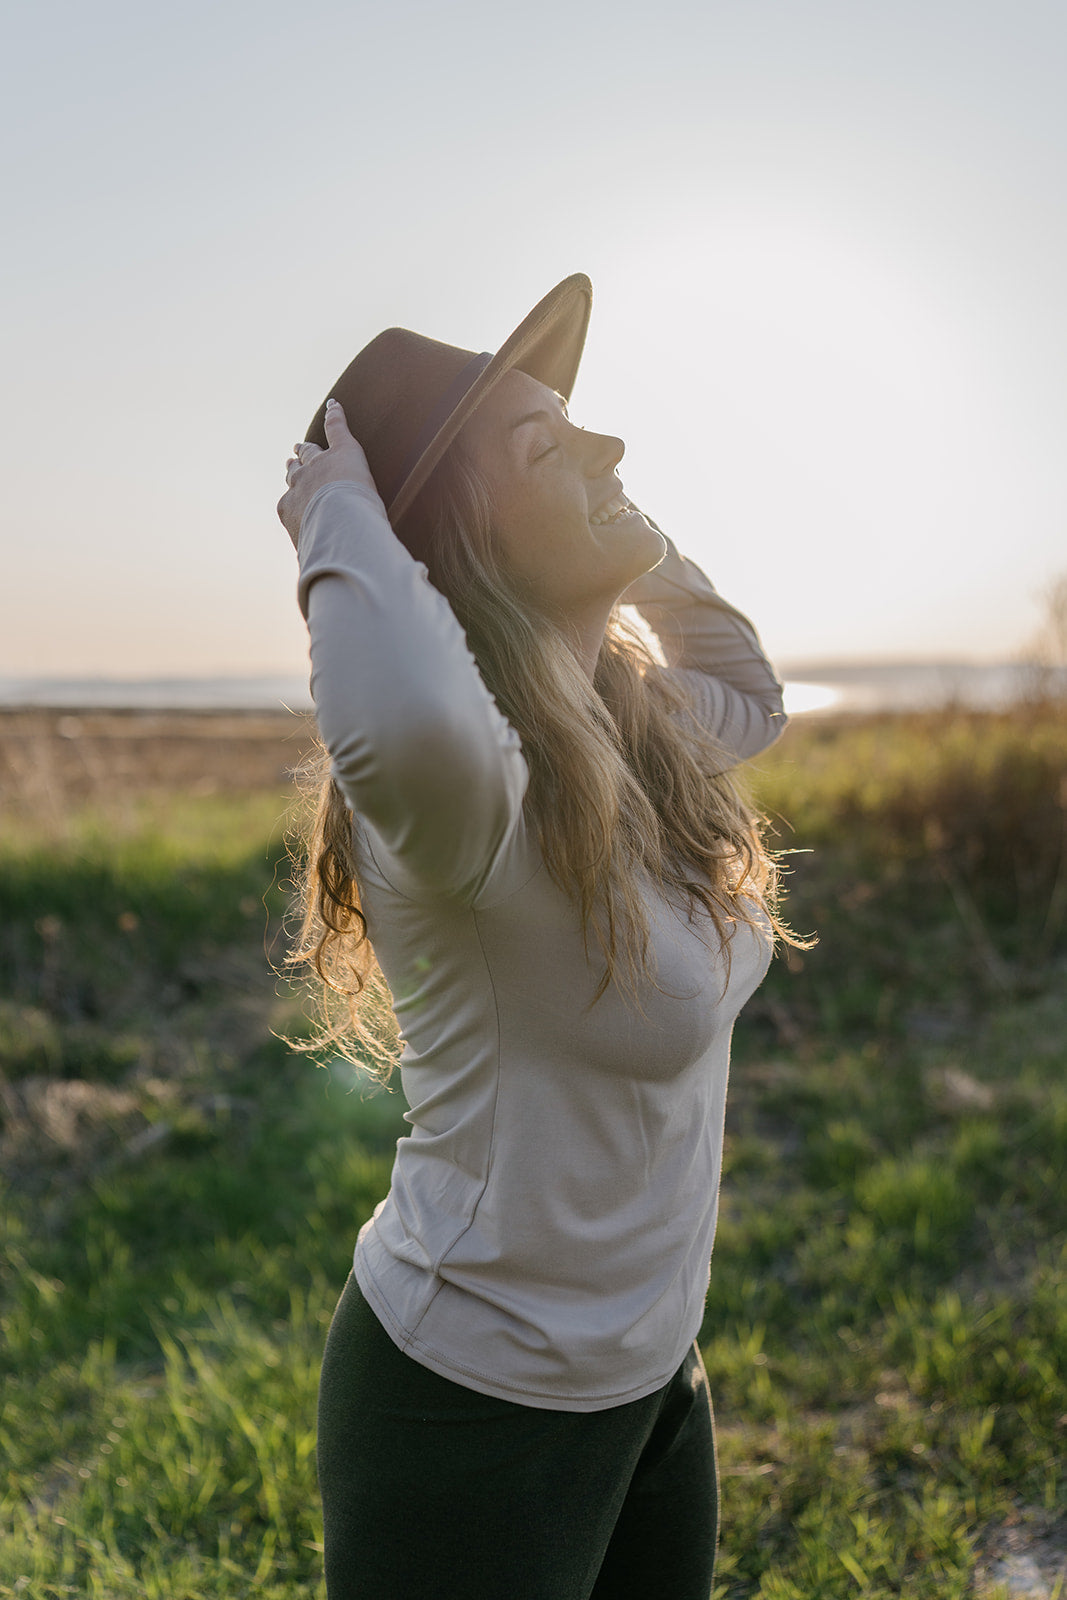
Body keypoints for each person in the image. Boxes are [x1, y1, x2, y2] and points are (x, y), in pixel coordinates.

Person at [277, 273, 794, 1600]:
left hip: (653, 1380)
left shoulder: (633, 724)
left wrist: (613, 523)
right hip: (472, 1413)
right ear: (456, 542)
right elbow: (402, 715)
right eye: (543, 446)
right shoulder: (469, 805)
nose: (607, 444)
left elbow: (747, 683)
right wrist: (341, 514)